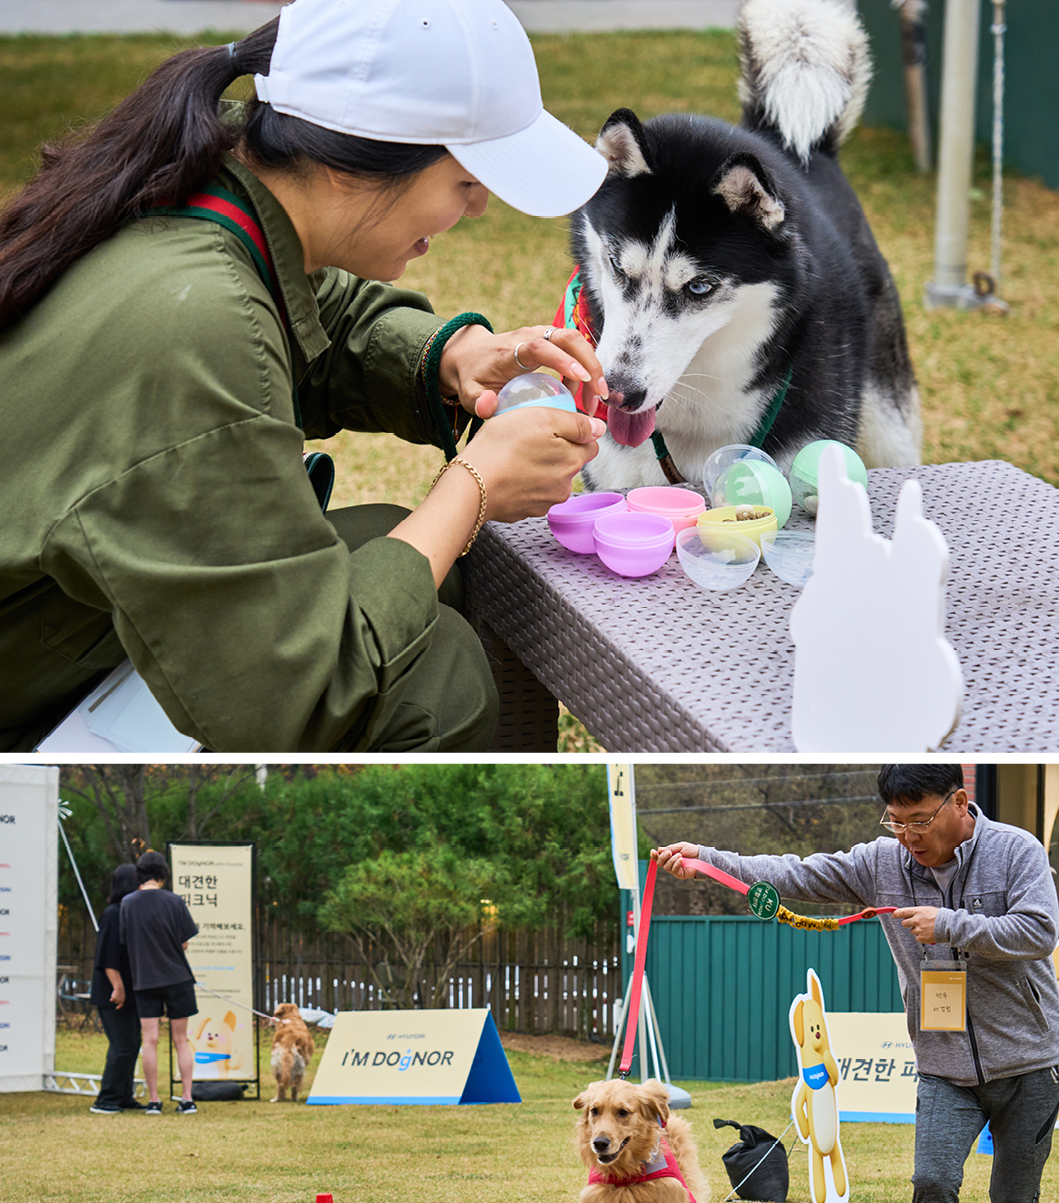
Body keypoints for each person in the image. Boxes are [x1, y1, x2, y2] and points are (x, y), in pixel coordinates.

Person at [0, 0, 610, 751]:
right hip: (26, 690)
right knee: (434, 680)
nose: (480, 207)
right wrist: (473, 486)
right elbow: (298, 693)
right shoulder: (198, 326)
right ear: (347, 167)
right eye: (465, 181)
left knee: (395, 547)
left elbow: (319, 314)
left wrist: (449, 359)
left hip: (59, 625)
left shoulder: (199, 201)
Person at [653, 763, 1059, 1203]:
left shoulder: (1016, 852)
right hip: (944, 1066)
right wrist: (709, 859)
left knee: (1012, 1198)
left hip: (1029, 1062)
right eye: (894, 821)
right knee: (931, 1182)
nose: (906, 835)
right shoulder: (881, 862)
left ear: (959, 801)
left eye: (918, 820)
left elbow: (1039, 930)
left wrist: (951, 924)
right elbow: (797, 871)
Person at [120, 852, 201, 1115]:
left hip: (145, 979)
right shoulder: (175, 901)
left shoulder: (128, 903)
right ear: (163, 874)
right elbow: (185, 943)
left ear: (140, 874)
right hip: (178, 977)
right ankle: (187, 1098)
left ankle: (154, 1100)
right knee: (181, 1040)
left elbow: (126, 941)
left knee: (150, 1040)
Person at [87, 864, 146, 1115]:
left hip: (132, 991)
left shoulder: (132, 913)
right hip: (113, 992)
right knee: (122, 1045)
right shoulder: (113, 913)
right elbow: (107, 957)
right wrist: (118, 987)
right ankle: (106, 1099)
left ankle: (124, 1095)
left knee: (133, 1044)